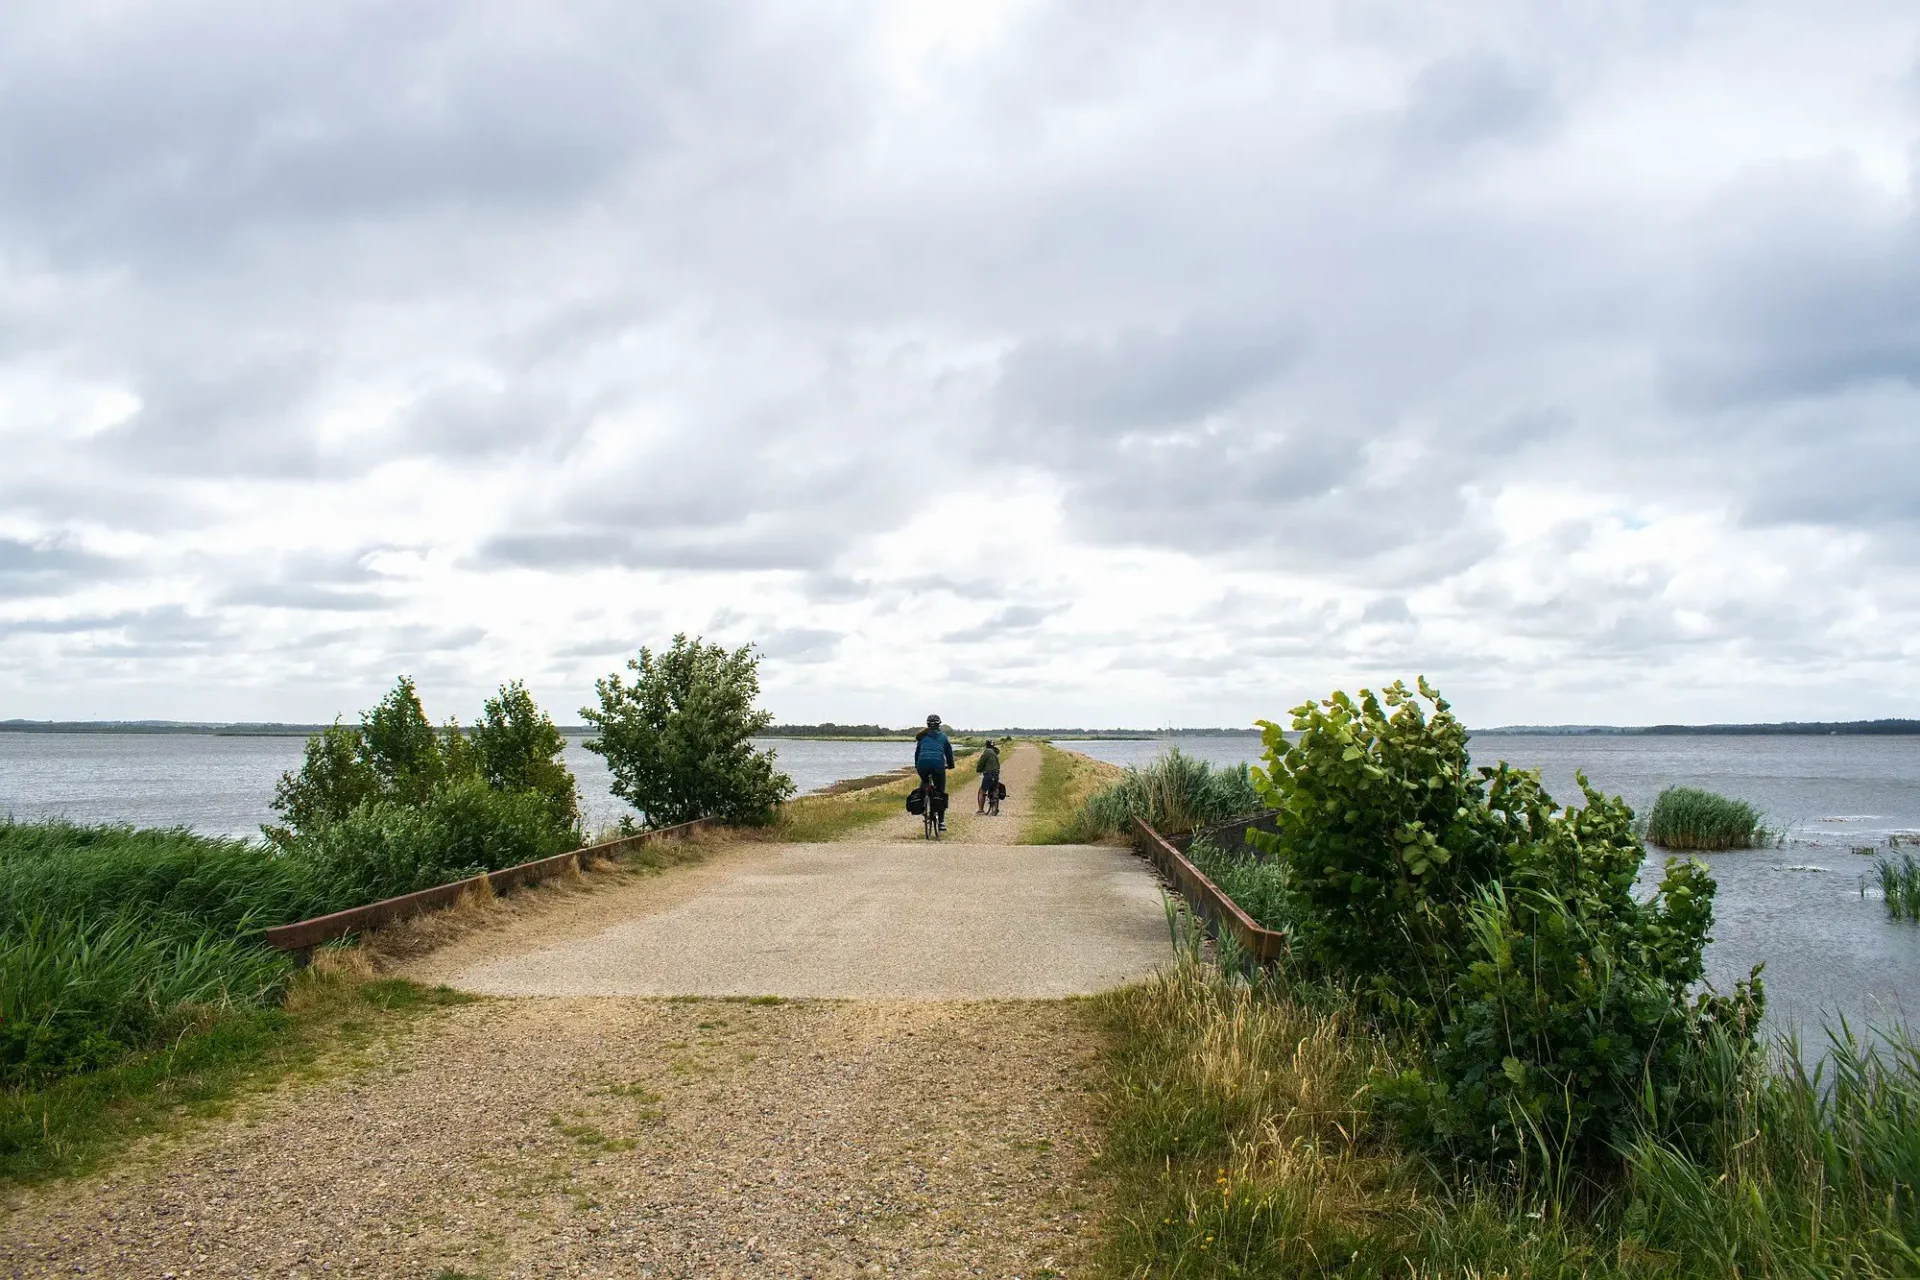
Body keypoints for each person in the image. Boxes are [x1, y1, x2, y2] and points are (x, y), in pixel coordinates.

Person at [914, 713, 955, 831]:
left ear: (927, 724)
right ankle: (941, 822)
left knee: (925, 781)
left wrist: (917, 765)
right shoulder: (943, 737)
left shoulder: (922, 737)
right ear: (939, 725)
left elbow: (917, 754)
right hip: (938, 766)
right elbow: (948, 753)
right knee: (940, 792)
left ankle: (922, 803)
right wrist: (951, 765)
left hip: (923, 765)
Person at [976, 738, 1002, 814]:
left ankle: (980, 810)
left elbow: (981, 763)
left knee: (982, 791)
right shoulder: (995, 753)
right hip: (996, 774)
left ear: (986, 745)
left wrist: (978, 769)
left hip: (989, 774)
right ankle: (994, 801)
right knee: (994, 787)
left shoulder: (987, 752)